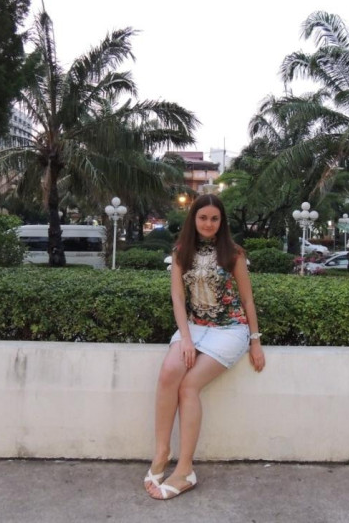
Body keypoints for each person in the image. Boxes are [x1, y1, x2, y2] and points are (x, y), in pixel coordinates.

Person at [144, 194, 266, 500]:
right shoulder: (181, 252)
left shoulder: (233, 253)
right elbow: (178, 298)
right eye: (203, 218)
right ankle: (161, 453)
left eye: (214, 218)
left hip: (229, 329)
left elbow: (247, 299)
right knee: (168, 374)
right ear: (193, 219)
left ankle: (185, 470)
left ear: (221, 221)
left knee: (189, 387)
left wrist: (255, 341)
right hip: (194, 327)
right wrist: (185, 338)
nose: (208, 224)